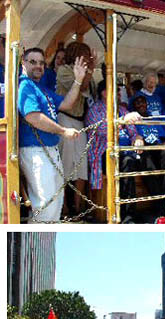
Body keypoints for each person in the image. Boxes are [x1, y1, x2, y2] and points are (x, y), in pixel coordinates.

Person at [18, 48, 88, 222]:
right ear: (23, 63)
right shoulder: (25, 85)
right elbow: (33, 117)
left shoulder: (41, 89)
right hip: (35, 151)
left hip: (50, 150)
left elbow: (66, 104)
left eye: (41, 63)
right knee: (46, 203)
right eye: (33, 62)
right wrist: (63, 131)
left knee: (55, 203)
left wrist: (78, 80)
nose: (38, 66)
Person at [85, 81, 144, 221]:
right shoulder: (95, 110)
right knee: (126, 162)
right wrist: (123, 120)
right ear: (104, 93)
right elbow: (104, 130)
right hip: (103, 154)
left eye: (118, 91)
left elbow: (132, 131)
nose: (118, 94)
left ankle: (162, 203)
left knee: (151, 158)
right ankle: (126, 215)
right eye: (115, 91)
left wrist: (137, 139)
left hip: (124, 151)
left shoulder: (122, 110)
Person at [56, 42, 96, 216]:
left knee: (81, 165)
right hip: (65, 119)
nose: (87, 59)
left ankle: (78, 207)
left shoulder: (87, 73)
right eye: (85, 55)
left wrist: (90, 70)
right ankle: (63, 206)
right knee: (64, 164)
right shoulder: (64, 70)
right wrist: (90, 70)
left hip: (80, 122)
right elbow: (82, 86)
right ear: (76, 54)